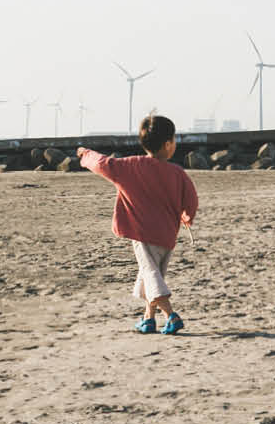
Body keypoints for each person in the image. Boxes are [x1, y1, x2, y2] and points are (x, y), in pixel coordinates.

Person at [78, 114, 199, 334]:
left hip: (143, 235)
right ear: (168, 144)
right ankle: (148, 319)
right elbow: (191, 199)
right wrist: (187, 216)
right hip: (167, 236)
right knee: (151, 275)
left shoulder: (130, 166)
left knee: (151, 276)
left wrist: (85, 154)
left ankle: (170, 315)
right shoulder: (177, 173)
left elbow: (102, 163)